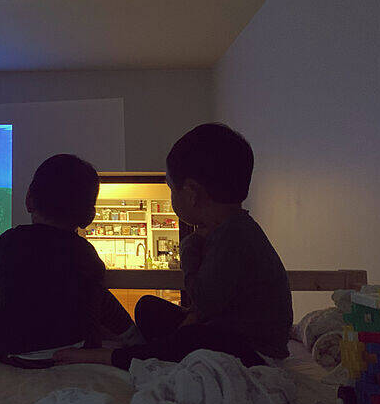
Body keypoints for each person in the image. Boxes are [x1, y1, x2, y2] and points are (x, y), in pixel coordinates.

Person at [53, 123, 293, 370]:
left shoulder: (234, 237)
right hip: (228, 331)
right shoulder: (232, 231)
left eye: (170, 188)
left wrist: (189, 247)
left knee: (190, 338)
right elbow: (212, 304)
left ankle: (113, 357)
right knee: (149, 308)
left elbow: (203, 301)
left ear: (191, 193)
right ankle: (157, 349)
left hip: (254, 352)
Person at [0, 154, 144, 368]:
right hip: (76, 347)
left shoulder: (10, 240)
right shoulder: (84, 252)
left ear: (29, 199)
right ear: (89, 216)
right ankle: (133, 337)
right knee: (98, 296)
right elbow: (97, 286)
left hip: (16, 351)